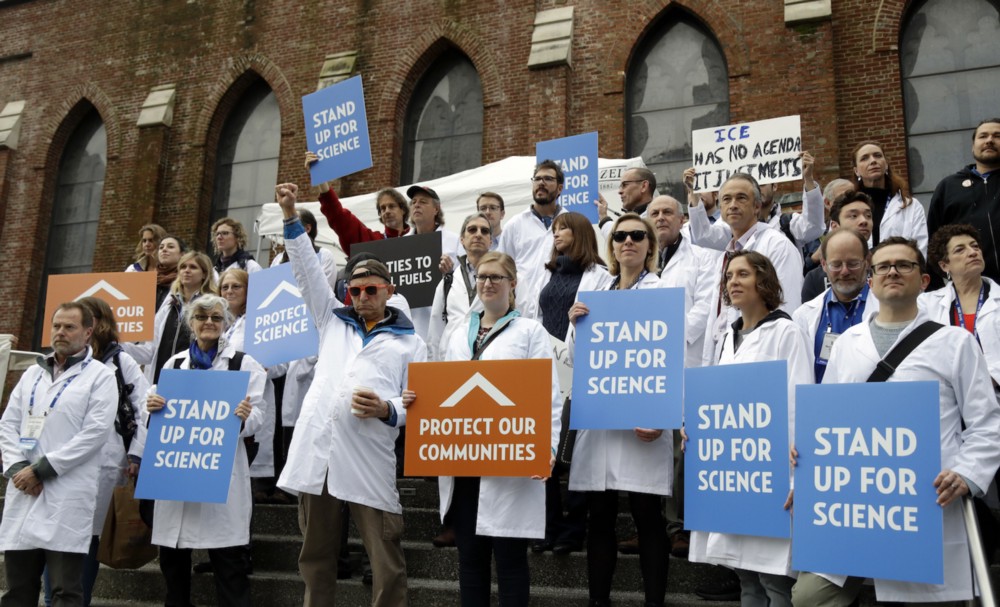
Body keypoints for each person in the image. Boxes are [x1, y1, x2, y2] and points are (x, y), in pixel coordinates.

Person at [792, 237, 1000, 605]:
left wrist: (967, 473)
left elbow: (986, 422)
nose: (892, 271)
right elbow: (831, 415)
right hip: (855, 501)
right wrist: (807, 449)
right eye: (882, 266)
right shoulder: (847, 343)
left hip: (924, 502)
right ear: (870, 281)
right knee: (810, 597)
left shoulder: (955, 342)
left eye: (903, 265)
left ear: (924, 281)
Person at [274, 181, 425, 607]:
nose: (361, 296)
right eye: (355, 290)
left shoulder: (410, 342)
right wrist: (290, 216)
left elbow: (420, 401)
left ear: (389, 291)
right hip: (318, 454)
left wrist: (386, 408)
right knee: (316, 554)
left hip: (368, 457)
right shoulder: (331, 320)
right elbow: (305, 271)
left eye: (370, 289)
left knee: (385, 557)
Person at [407, 251, 561, 606]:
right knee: (470, 560)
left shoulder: (530, 332)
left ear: (513, 284)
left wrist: (547, 449)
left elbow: (548, 395)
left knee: (510, 562)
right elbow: (443, 387)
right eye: (482, 277)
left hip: (509, 461)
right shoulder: (458, 333)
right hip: (464, 464)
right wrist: (418, 400)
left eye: (496, 277)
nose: (488, 283)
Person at [690, 250, 813, 607]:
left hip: (770, 475)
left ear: (764, 281)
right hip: (734, 476)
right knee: (746, 580)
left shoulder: (786, 331)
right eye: (729, 276)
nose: (733, 282)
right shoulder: (728, 337)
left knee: (775, 582)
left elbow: (797, 404)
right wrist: (696, 425)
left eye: (742, 274)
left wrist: (793, 479)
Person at [567, 214, 672, 607]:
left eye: (637, 236)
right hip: (601, 420)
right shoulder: (595, 290)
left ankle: (654, 602)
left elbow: (671, 359)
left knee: (647, 515)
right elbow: (579, 361)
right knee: (600, 516)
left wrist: (663, 417)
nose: (628, 241)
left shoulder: (663, 290)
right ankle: (598, 601)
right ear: (611, 246)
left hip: (644, 421)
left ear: (649, 247)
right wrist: (576, 326)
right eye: (620, 236)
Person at [146, 294, 265, 607]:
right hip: (176, 477)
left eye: (215, 318)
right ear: (191, 324)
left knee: (229, 569)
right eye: (201, 317)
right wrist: (153, 406)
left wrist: (244, 417)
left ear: (225, 324)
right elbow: (157, 410)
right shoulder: (174, 365)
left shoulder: (243, 363)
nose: (209, 323)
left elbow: (260, 414)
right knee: (174, 569)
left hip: (220, 475)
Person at [0, 302, 118, 606]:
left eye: (69, 327)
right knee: (18, 590)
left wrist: (41, 470)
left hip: (66, 493)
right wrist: (19, 471)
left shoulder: (100, 377)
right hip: (24, 490)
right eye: (56, 326)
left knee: (65, 591)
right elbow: (8, 424)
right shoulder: (32, 374)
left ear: (88, 332)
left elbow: (94, 434)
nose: (60, 332)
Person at [40, 297, 148, 607]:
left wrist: (136, 454)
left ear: (97, 326)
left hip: (102, 461)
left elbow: (143, 411)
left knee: (85, 538)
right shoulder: (55, 363)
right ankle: (52, 600)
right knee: (53, 534)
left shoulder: (119, 361)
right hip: (58, 460)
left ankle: (76, 601)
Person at [532, 211, 611, 556]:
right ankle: (547, 525)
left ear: (580, 234)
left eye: (563, 228)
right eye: (554, 229)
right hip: (546, 371)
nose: (557, 234)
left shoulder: (601, 277)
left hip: (581, 373)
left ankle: (573, 528)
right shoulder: (545, 276)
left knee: (576, 452)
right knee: (545, 449)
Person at [689, 173, 804, 366]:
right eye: (726, 199)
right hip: (727, 352)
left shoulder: (777, 245)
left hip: (763, 356)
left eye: (741, 198)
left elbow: (786, 306)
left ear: (757, 206)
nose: (733, 204)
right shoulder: (726, 254)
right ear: (721, 208)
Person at [682, 153, 825, 250]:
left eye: (761, 184)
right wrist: (694, 193)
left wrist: (808, 179)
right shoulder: (731, 227)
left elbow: (814, 227)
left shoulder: (787, 224)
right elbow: (703, 237)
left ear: (774, 186)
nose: (756, 189)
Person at [793, 229, 879, 383]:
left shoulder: (884, 308)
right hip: (822, 404)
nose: (844, 271)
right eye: (836, 264)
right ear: (824, 264)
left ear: (867, 262)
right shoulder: (803, 315)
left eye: (853, 263)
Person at [921, 224, 1000, 388]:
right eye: (960, 250)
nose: (973, 252)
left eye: (975, 246)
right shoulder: (926, 304)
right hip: (949, 399)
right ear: (944, 265)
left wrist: (986, 380)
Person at [123, 251, 217, 385]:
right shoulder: (168, 306)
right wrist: (120, 345)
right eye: (183, 267)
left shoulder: (212, 306)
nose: (187, 271)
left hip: (192, 382)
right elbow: (149, 352)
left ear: (204, 274)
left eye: (193, 267)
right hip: (159, 383)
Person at [219, 269, 276, 486]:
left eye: (236, 286)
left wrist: (265, 366)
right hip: (222, 399)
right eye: (225, 287)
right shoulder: (219, 324)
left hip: (250, 398)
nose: (229, 291)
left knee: (244, 474)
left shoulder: (260, 320)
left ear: (248, 291)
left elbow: (281, 361)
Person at [927, 118, 1000, 285]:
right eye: (983, 136)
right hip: (970, 286)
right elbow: (934, 239)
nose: (989, 140)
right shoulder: (949, 186)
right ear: (972, 146)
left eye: (997, 136)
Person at [305, 151, 411, 255]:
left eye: (391, 206)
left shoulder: (419, 237)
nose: (386, 211)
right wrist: (319, 173)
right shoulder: (373, 241)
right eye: (383, 208)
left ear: (403, 210)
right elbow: (339, 217)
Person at [498, 159, 567, 320]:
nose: (541, 183)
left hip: (559, 310)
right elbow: (502, 268)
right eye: (537, 179)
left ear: (560, 188)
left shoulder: (571, 223)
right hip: (520, 312)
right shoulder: (515, 224)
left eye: (548, 179)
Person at [427, 213, 494, 362]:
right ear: (462, 240)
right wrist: (433, 366)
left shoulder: (504, 278)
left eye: (484, 231)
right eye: (472, 230)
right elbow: (435, 330)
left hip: (491, 357)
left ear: (490, 241)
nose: (478, 234)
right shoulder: (448, 282)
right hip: (453, 359)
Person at [851, 140, 928, 254]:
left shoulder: (911, 206)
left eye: (877, 156)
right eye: (865, 158)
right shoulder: (846, 206)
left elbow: (920, 249)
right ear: (856, 171)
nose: (873, 161)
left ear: (886, 164)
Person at [801, 191, 875, 303]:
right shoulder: (815, 278)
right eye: (853, 216)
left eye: (868, 216)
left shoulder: (886, 265)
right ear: (834, 226)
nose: (864, 221)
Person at [270, 208, 338, 290]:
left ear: (307, 228)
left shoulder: (324, 255)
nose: (287, 230)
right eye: (286, 226)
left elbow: (326, 293)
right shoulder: (278, 260)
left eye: (292, 225)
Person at [597, 167, 657, 234]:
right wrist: (603, 217)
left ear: (644, 186)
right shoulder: (642, 216)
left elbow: (621, 238)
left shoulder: (657, 220)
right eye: (620, 186)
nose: (619, 191)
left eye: (625, 185)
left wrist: (604, 219)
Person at [153, 235, 189, 310]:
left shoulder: (187, 279)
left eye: (170, 247)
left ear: (182, 254)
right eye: (161, 247)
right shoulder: (149, 279)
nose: (164, 249)